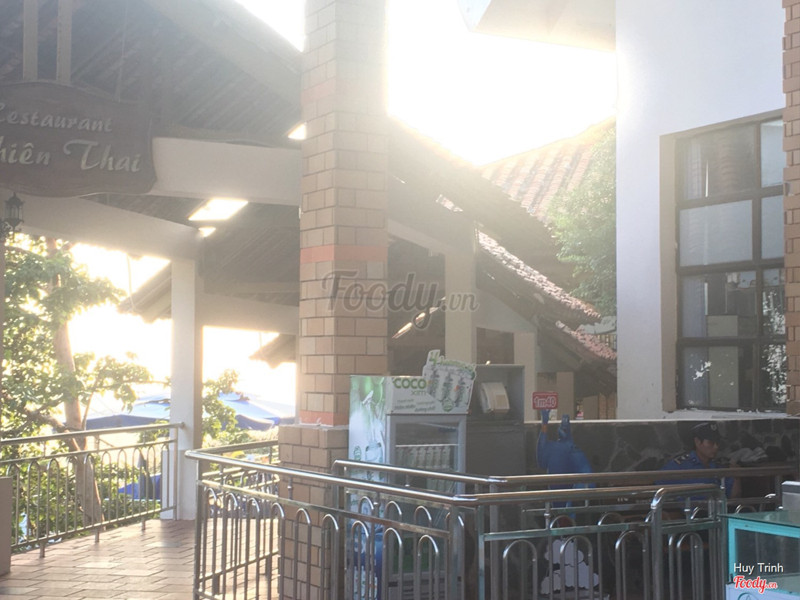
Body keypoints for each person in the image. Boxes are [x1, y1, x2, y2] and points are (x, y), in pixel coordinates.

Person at [659, 421, 740, 498]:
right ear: (697, 441)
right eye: (711, 442)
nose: (716, 447)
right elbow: (657, 489)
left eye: (717, 442)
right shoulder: (679, 466)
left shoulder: (719, 465)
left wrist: (736, 477)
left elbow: (733, 496)